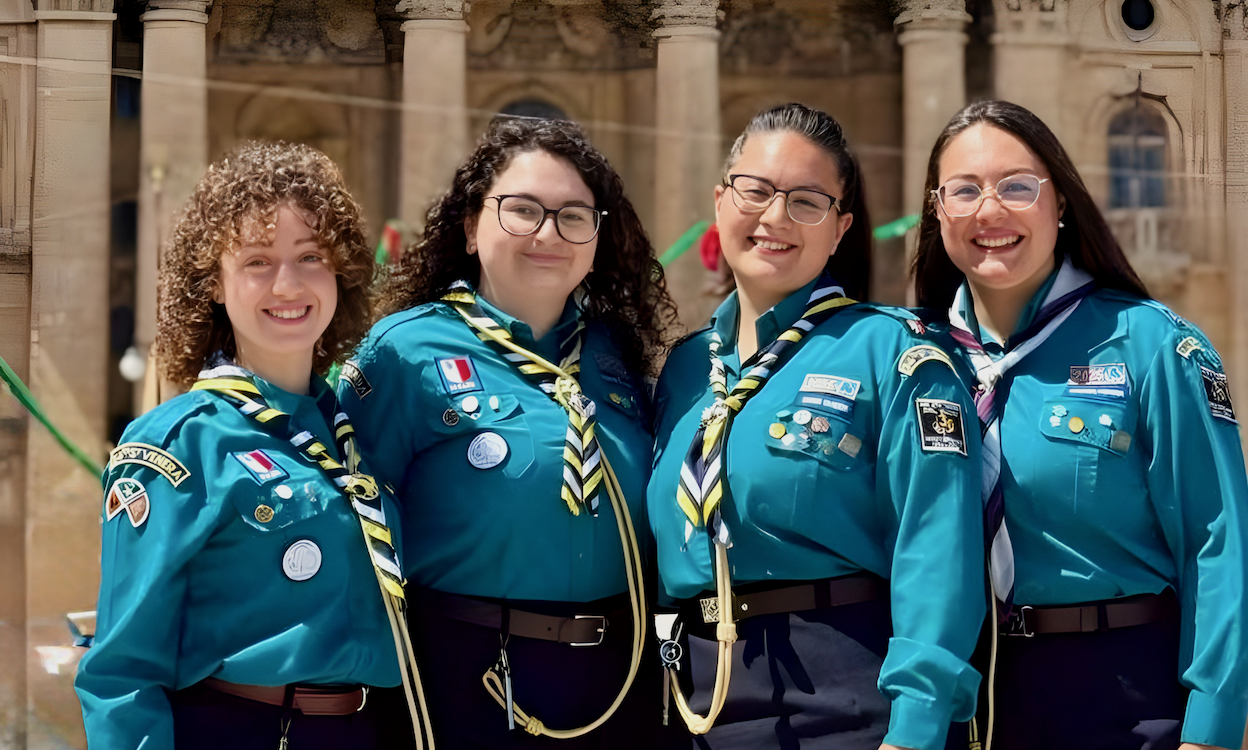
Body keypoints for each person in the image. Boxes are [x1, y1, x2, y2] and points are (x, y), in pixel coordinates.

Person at [910, 99, 1248, 750]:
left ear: (1061, 202)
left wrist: (1213, 730)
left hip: (1120, 693)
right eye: (964, 190)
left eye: (1018, 186)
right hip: (964, 699)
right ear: (937, 210)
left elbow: (1217, 545)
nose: (990, 211)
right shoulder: (913, 360)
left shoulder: (1150, 345)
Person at [648, 102, 985, 750]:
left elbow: (938, 551)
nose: (775, 217)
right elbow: (663, 567)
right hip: (697, 703)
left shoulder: (894, 354)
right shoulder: (686, 370)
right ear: (721, 203)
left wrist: (915, 728)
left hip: (846, 703)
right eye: (757, 191)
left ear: (840, 229)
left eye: (807, 201)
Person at [338, 117, 678, 749]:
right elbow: (352, 529)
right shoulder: (403, 353)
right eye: (522, 210)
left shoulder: (616, 357)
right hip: (465, 680)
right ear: (471, 226)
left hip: (618, 681)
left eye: (574, 215)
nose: (548, 233)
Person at [76, 142, 427, 750]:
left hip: (365, 729)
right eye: (258, 261)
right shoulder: (179, 443)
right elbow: (122, 672)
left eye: (310, 256)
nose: (288, 284)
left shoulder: (353, 435)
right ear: (215, 284)